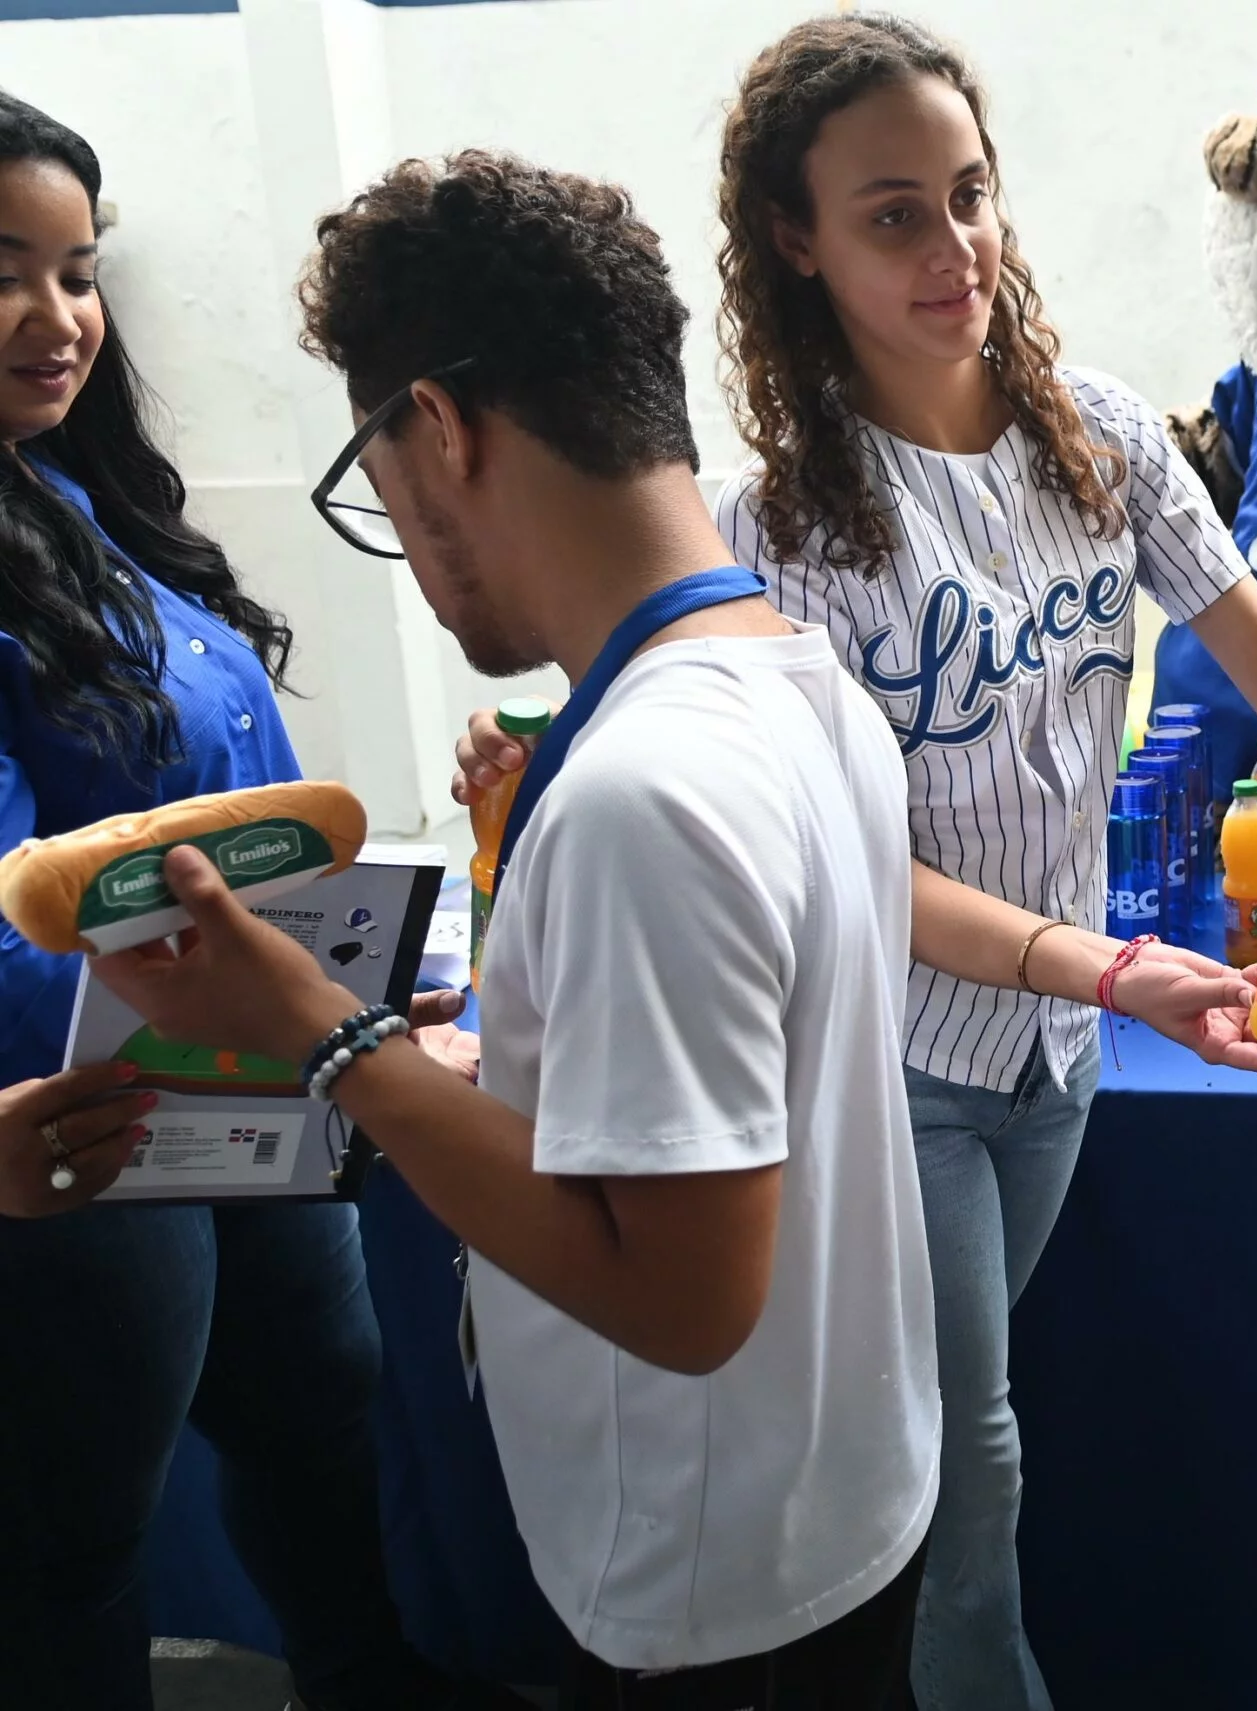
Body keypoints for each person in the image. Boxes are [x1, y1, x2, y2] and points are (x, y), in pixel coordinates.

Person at [451, 19, 1257, 1711]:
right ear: (796, 240)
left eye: (970, 197)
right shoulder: (780, 527)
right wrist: (1101, 963)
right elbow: (841, 857)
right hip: (893, 1058)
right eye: (894, 214)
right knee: (968, 1457)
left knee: (945, 1440)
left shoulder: (1102, 441)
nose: (955, 247)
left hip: (1058, 1058)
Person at [91, 150, 949, 1709]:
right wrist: (494, 1073)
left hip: (708, 1581)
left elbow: (684, 1299)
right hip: (838, 1488)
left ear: (436, 427)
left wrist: (328, 1033)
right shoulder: (798, 681)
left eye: (378, 485)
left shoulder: (641, 790)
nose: (408, 551)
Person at [0, 94, 519, 1711]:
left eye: (80, 272)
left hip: (253, 1072)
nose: (57, 317)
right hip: (84, 1111)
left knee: (324, 1410)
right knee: (80, 1534)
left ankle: (369, 1679)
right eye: (6, 269)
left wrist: (365, 971)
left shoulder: (87, 507)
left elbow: (250, 814)